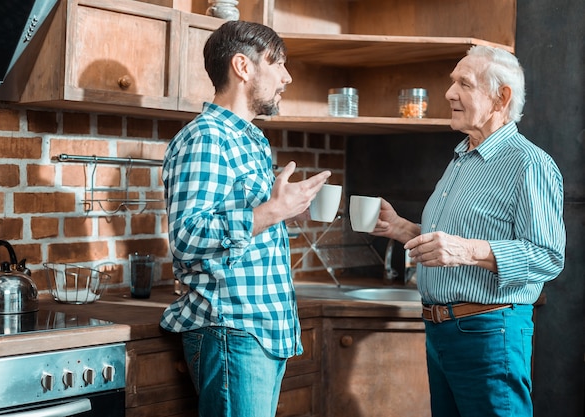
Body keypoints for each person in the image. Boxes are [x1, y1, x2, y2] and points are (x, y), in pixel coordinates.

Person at [370, 45, 565, 417]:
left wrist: (468, 251)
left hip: (490, 333)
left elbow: (548, 256)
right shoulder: (462, 157)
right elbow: (452, 243)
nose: (449, 93)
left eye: (464, 83)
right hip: (442, 332)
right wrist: (402, 229)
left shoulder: (528, 163)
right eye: (451, 82)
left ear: (500, 98)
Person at [160, 20, 331, 417]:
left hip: (259, 328)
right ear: (243, 66)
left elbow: (241, 226)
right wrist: (272, 210)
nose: (287, 77)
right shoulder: (207, 138)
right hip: (231, 328)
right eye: (278, 64)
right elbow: (187, 236)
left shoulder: (249, 139)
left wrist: (281, 210)